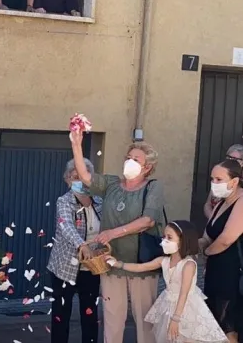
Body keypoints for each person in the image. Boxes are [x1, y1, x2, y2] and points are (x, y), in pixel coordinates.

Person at [70, 129, 166, 343]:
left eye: (136, 159)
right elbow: (85, 177)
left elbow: (148, 220)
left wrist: (112, 233)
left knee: (145, 320)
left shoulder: (153, 187)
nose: (129, 162)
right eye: (128, 157)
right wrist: (76, 144)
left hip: (142, 264)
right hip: (110, 262)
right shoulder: (112, 184)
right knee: (112, 320)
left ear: (147, 167)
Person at [107, 220, 227, 343]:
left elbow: (184, 293)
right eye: (164, 236)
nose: (164, 241)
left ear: (183, 241)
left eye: (169, 237)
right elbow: (141, 267)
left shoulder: (188, 265)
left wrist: (176, 319)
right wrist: (118, 264)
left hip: (186, 308)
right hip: (168, 304)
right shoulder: (163, 261)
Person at [47, 158, 102, 343]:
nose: (79, 180)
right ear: (67, 179)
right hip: (64, 267)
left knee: (90, 313)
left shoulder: (99, 201)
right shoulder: (64, 201)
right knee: (61, 315)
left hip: (91, 267)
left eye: (82, 176)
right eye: (74, 176)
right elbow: (66, 227)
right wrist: (82, 245)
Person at [200, 159, 243, 343]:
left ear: (234, 181)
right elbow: (208, 235)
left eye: (219, 179)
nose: (214, 183)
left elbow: (226, 239)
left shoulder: (241, 201)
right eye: (212, 179)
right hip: (216, 271)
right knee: (215, 322)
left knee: (228, 326)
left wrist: (206, 253)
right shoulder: (221, 203)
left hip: (232, 273)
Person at [204, 144, 243, 219]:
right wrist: (213, 219)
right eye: (229, 157)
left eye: (235, 159)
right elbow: (207, 204)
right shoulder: (218, 176)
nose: (230, 161)